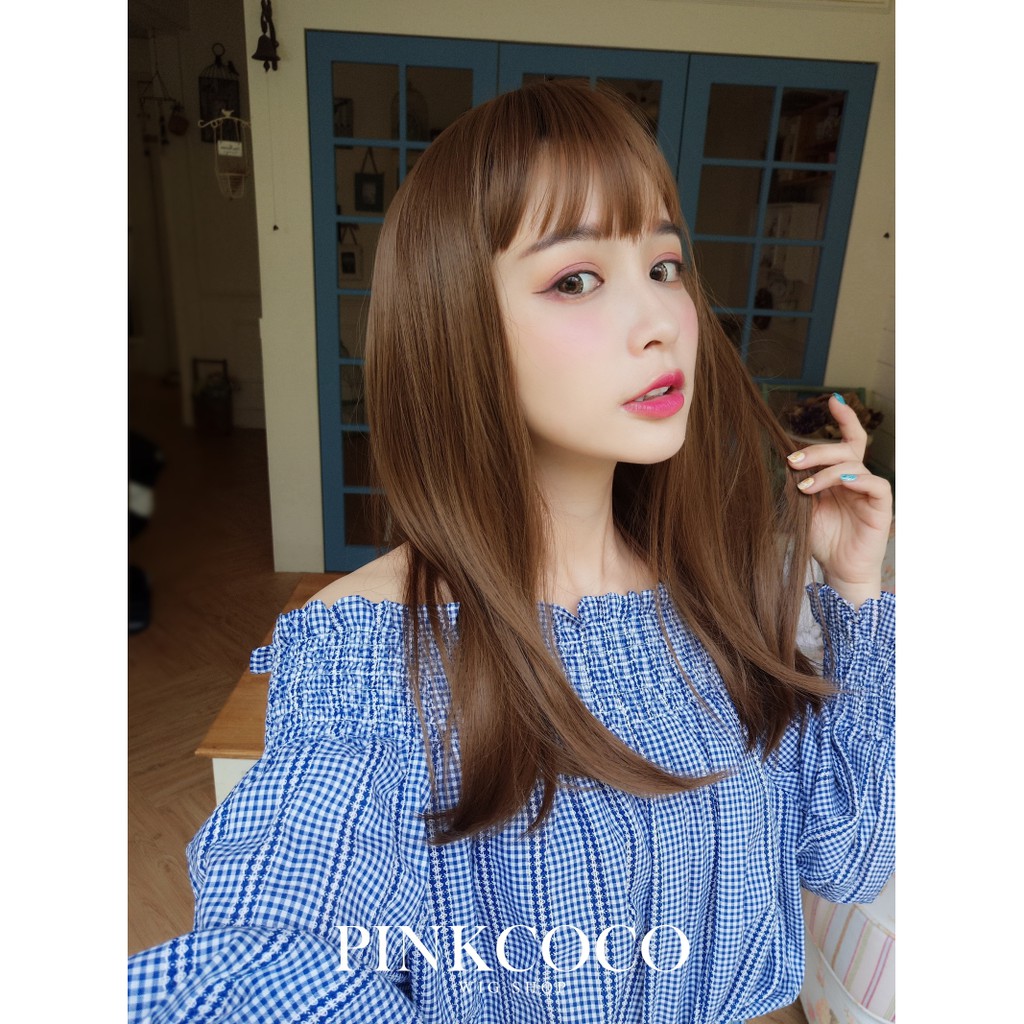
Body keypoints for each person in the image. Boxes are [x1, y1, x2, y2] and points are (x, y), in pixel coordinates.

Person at [128, 81, 894, 1024]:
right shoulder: (372, 648)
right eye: (576, 279)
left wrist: (853, 585)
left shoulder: (710, 596)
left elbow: (847, 856)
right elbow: (277, 944)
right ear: (457, 325)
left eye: (664, 264)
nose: (662, 321)